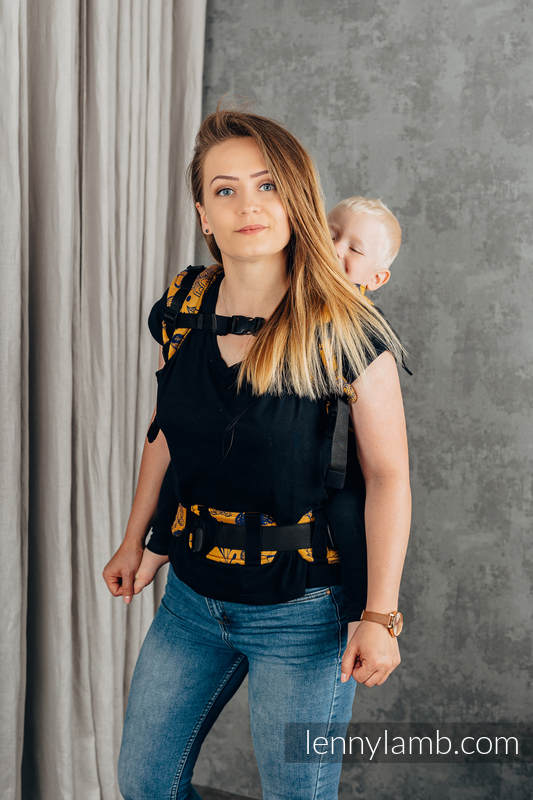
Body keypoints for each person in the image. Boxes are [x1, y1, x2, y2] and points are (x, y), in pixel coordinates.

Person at [103, 109, 411, 800]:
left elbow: (389, 478)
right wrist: (137, 540)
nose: (248, 205)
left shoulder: (345, 330)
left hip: (303, 612)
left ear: (296, 199)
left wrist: (379, 616)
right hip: (191, 598)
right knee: (145, 784)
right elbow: (167, 428)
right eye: (226, 189)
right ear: (204, 215)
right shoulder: (185, 304)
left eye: (267, 185)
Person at [140, 193, 410, 635]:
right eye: (330, 233)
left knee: (346, 507)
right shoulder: (231, 300)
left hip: (307, 583)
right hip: (194, 581)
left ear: (377, 278)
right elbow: (181, 436)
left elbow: (387, 477)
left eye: (355, 249)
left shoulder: (357, 334)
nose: (335, 248)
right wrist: (149, 543)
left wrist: (378, 618)